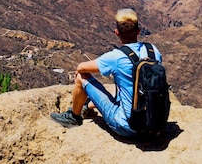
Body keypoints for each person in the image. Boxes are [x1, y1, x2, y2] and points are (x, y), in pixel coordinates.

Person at [50, 8, 163, 138]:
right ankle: (88, 106)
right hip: (155, 122)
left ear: (116, 33)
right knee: (128, 87)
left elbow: (81, 68)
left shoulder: (116, 57)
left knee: (81, 77)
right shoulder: (153, 50)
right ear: (138, 31)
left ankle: (73, 117)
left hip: (128, 127)